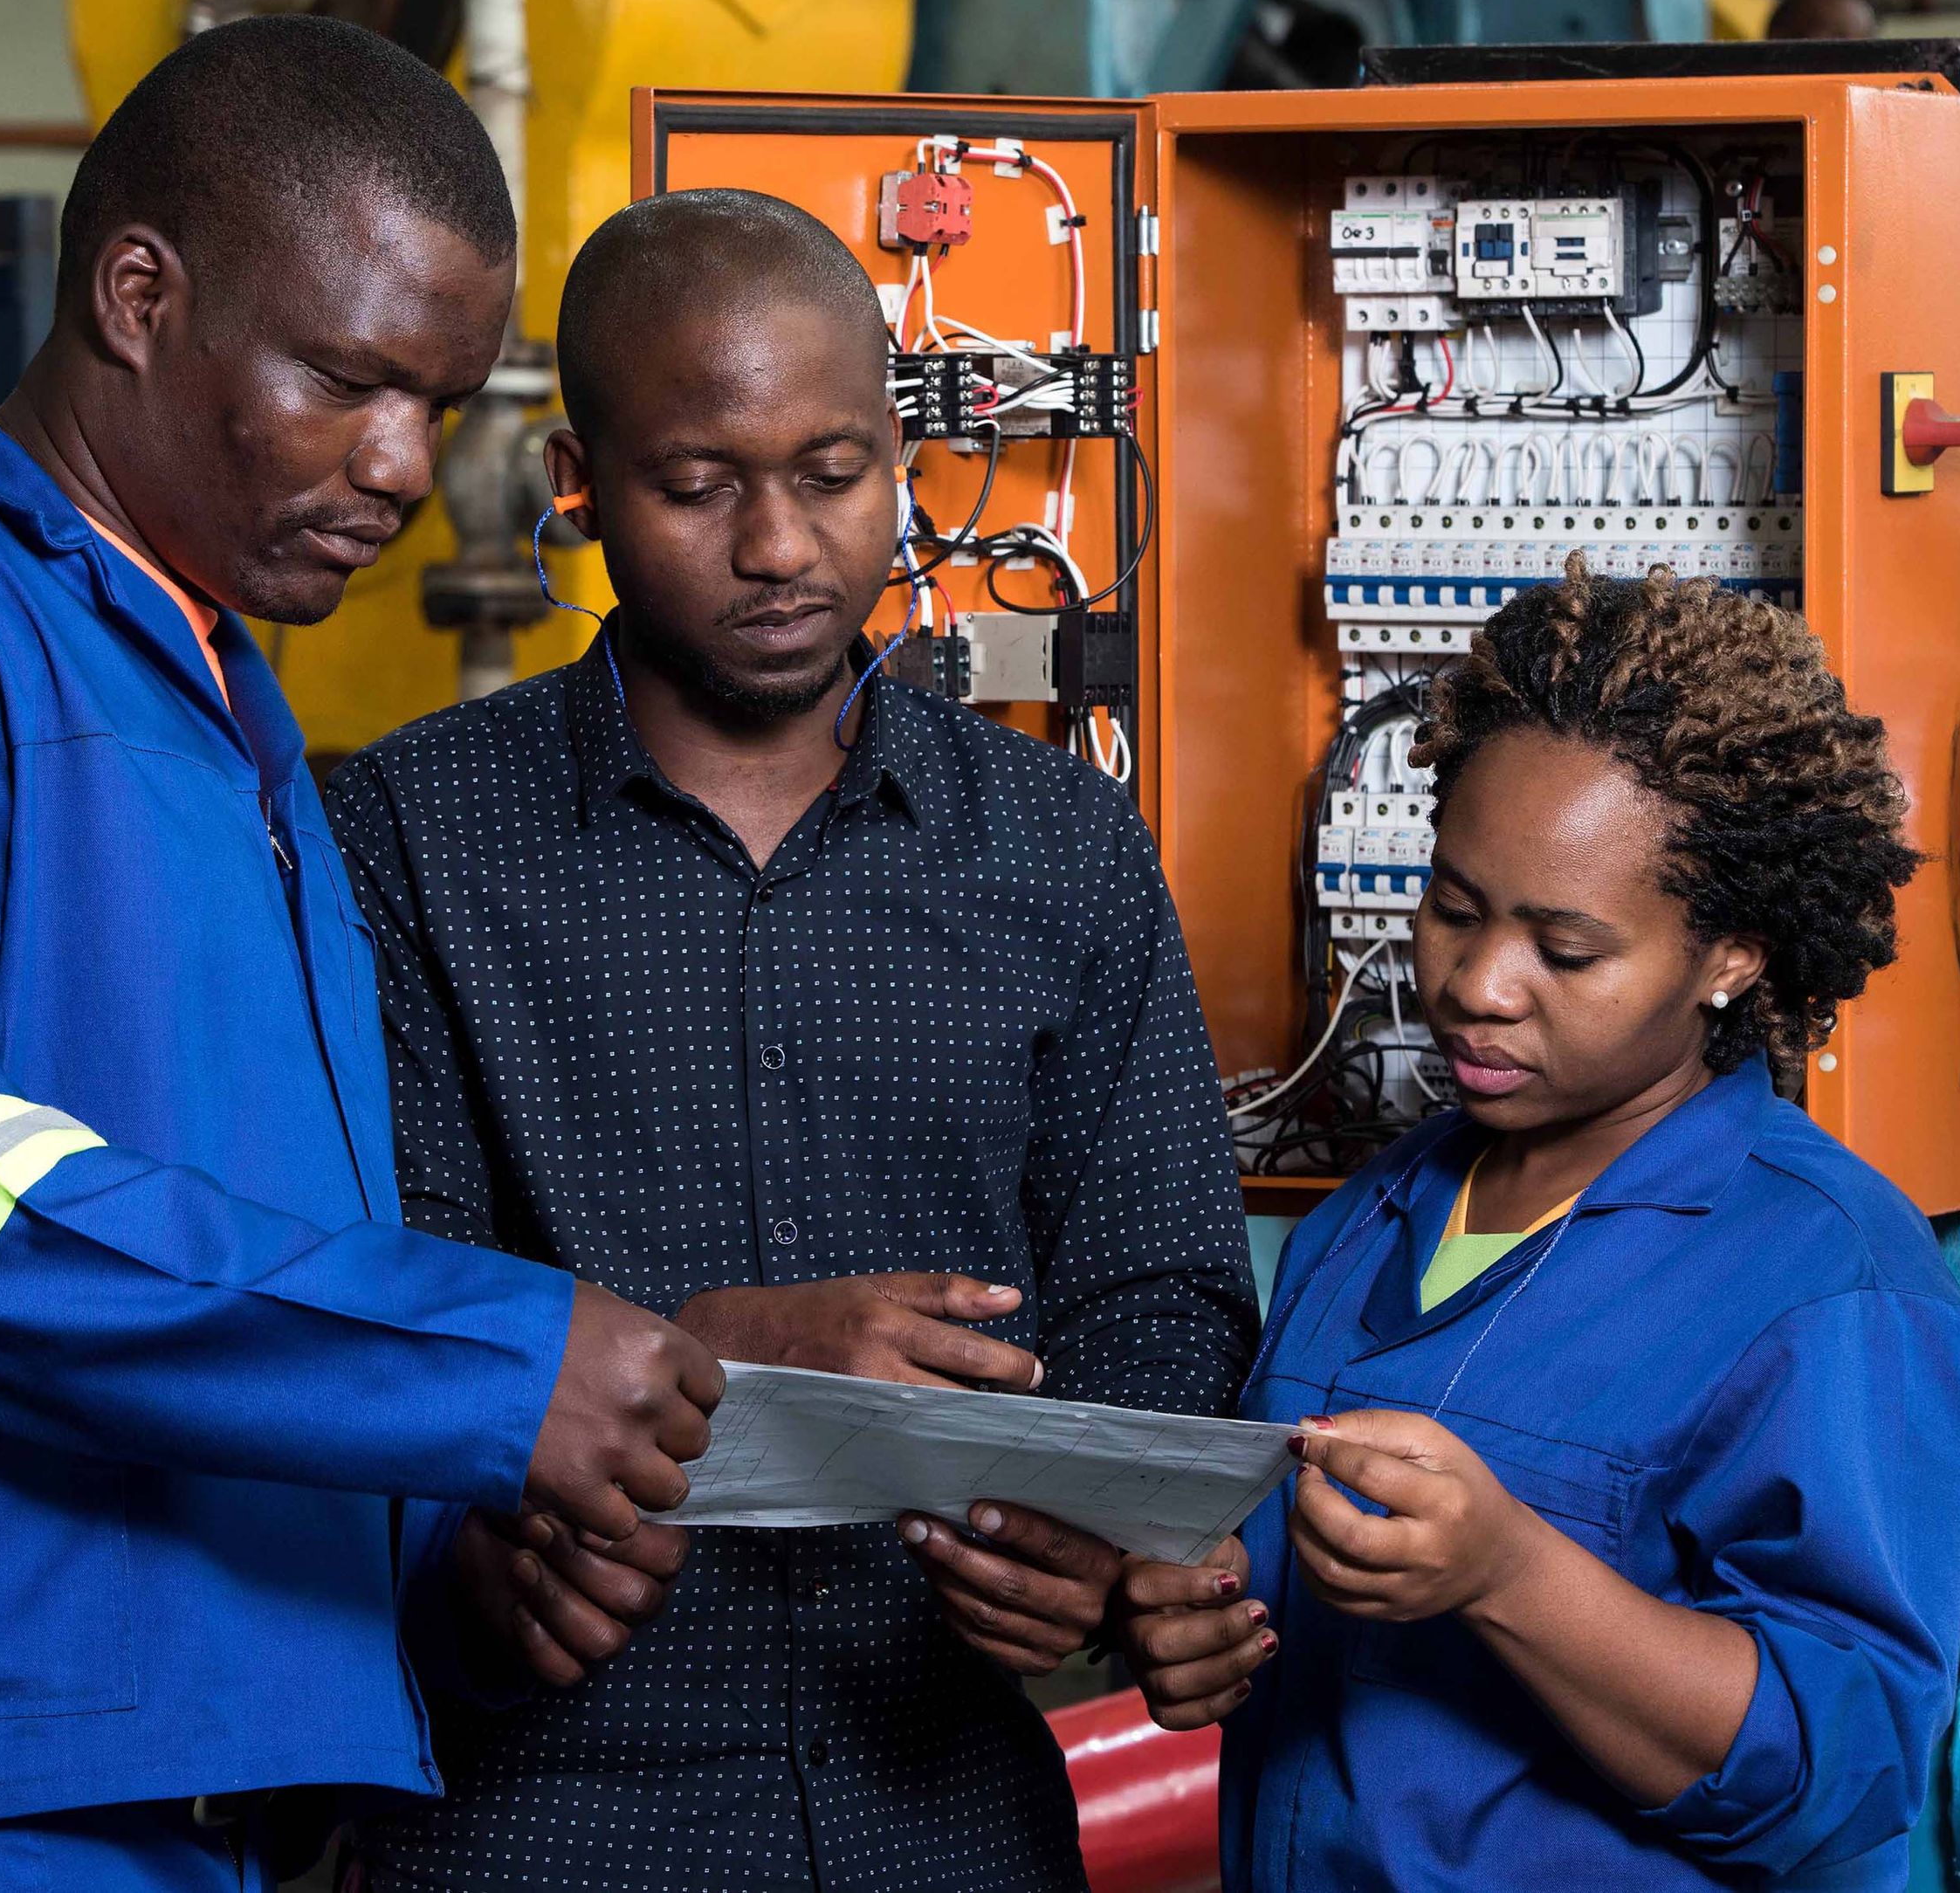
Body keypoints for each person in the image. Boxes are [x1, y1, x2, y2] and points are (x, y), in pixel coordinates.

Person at [0, 18, 725, 1893]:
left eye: (441, 402)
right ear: (141, 293)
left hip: (157, 1773)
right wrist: (484, 1365)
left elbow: (212, 1221)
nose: (401, 463)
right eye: (344, 379)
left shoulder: (205, 702)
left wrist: (429, 1561)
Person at [326, 188, 1260, 1893]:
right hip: (545, 1826)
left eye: (831, 474)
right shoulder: (406, 839)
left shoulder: (1057, 848)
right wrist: (696, 1364)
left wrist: (1081, 1540)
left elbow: (1164, 1290)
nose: (778, 548)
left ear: (897, 456)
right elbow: (369, 1312)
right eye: (698, 486)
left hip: (947, 1816)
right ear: (581, 489)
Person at [1120, 563, 1960, 1891]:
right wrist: (1193, 1630)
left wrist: (1511, 1570)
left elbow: (1844, 1770)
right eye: (1454, 907)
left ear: (1731, 955)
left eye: (1565, 951)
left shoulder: (1831, 1281)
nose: (1473, 983)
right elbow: (1283, 1627)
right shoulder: (1364, 1221)